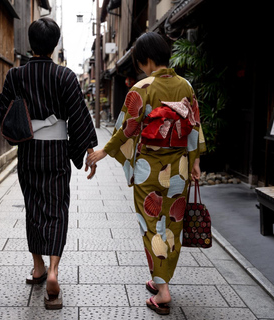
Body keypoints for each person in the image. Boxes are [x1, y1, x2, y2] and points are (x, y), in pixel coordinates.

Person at [86, 32, 206, 315]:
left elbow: (127, 128)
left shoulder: (141, 88)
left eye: (140, 62)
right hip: (179, 167)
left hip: (148, 170)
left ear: (148, 60)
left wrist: (103, 152)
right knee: (173, 223)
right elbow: (195, 125)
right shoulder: (186, 86)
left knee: (152, 226)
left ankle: (163, 292)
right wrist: (196, 161)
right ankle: (160, 279)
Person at [0, 17, 98, 310]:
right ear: (54, 45)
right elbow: (78, 116)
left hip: (28, 150)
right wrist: (88, 150)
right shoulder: (65, 77)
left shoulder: (15, 76)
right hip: (56, 152)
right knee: (56, 209)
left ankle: (38, 267)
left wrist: (21, 125)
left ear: (31, 44)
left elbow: (4, 107)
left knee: (34, 208)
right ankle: (53, 272)